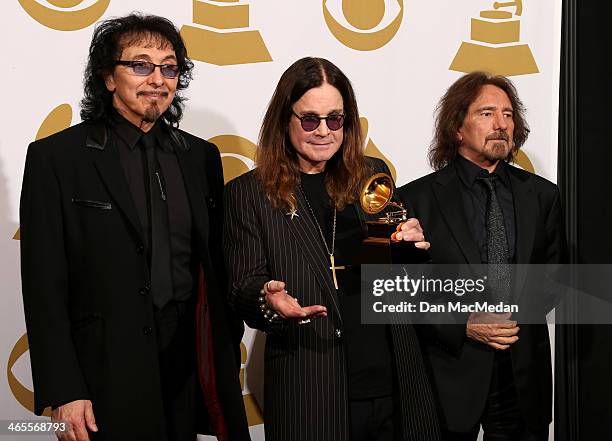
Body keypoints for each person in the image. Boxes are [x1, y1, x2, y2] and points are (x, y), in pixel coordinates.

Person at [19, 13, 250, 441]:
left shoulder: (200, 158)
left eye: (169, 67)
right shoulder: (58, 159)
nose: (157, 79)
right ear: (108, 77)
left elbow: (212, 266)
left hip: (186, 368)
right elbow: (43, 286)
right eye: (140, 65)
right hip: (103, 371)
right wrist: (65, 389)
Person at [223, 57, 441, 441]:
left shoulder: (372, 174)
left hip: (391, 377)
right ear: (284, 121)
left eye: (335, 119)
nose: (323, 131)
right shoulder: (250, 193)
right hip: (310, 383)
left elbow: (393, 279)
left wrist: (411, 248)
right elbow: (241, 286)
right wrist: (266, 298)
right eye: (310, 120)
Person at [397, 72, 567, 441]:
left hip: (522, 375)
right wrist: (464, 323)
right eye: (487, 113)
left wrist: (511, 314)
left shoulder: (542, 195)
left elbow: (555, 278)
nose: (501, 124)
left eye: (508, 115)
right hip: (449, 375)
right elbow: (405, 291)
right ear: (457, 127)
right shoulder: (415, 200)